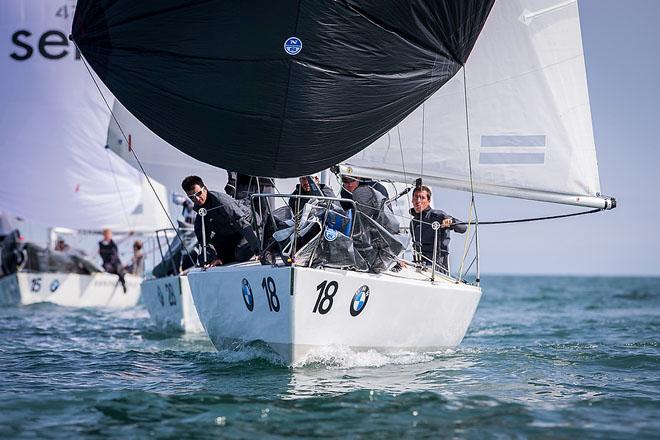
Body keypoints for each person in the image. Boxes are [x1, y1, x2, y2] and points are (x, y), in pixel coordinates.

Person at [182, 175, 260, 267]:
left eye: (198, 194)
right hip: (231, 234)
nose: (197, 199)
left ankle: (263, 241)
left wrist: (257, 249)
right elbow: (203, 237)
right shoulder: (200, 211)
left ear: (205, 189)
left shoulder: (221, 201)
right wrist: (211, 258)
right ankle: (220, 259)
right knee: (204, 259)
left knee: (241, 255)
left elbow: (241, 222)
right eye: (192, 197)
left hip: (249, 227)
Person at [409, 185, 466, 274]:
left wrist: (452, 221)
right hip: (418, 264)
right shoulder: (413, 222)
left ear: (429, 201)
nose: (418, 201)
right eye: (416, 197)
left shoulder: (438, 215)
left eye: (422, 198)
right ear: (412, 200)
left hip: (437, 266)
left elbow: (463, 228)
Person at [98, 228, 127, 293]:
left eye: (108, 234)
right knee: (107, 268)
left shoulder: (114, 242)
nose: (107, 236)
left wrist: (129, 234)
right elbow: (96, 253)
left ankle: (123, 284)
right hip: (107, 263)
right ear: (103, 235)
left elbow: (123, 238)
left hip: (116, 262)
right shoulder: (100, 244)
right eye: (106, 234)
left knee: (118, 269)